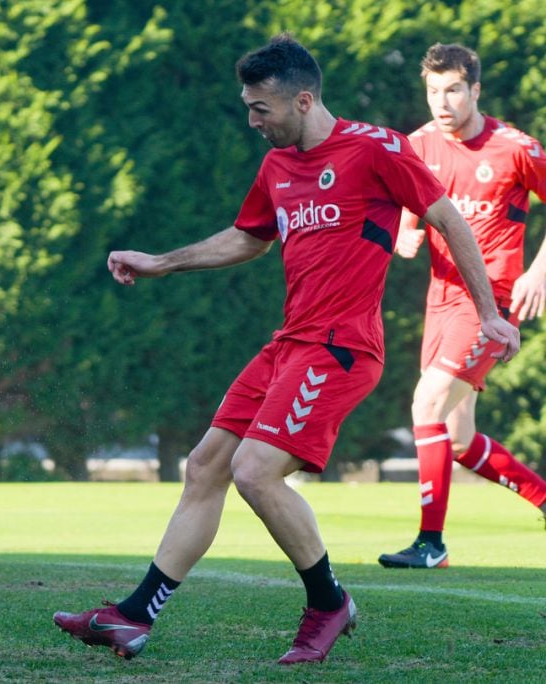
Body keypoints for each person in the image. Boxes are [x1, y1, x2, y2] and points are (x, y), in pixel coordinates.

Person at [52, 34, 520, 665]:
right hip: (289, 343)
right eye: (247, 107)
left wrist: (489, 313)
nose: (252, 121)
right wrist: (162, 263)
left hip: (343, 347)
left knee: (253, 472)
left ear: (302, 100)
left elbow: (447, 218)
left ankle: (329, 603)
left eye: (260, 109)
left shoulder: (375, 147)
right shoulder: (277, 167)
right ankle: (133, 618)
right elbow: (249, 238)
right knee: (206, 466)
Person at [378, 44, 546, 570]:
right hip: (441, 300)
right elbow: (406, 197)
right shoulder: (418, 145)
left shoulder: (516, 148)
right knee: (457, 437)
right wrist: (406, 230)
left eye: (453, 89)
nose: (442, 101)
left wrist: (539, 271)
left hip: (490, 300)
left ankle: (431, 543)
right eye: (433, 91)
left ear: (475, 89)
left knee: (425, 405)